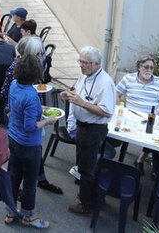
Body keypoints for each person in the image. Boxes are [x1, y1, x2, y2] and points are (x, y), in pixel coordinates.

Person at [60, 46, 116, 216]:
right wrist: (68, 94)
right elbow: (78, 91)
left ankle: (88, 204)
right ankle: (86, 194)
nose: (81, 66)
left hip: (94, 129)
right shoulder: (85, 74)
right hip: (82, 126)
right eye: (80, 61)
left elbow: (107, 111)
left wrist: (81, 103)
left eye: (85, 63)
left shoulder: (105, 83)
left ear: (97, 64)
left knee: (88, 167)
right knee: (83, 163)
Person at [4, 54, 55, 229]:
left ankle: (10, 211)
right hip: (29, 144)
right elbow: (31, 126)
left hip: (13, 138)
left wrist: (39, 110)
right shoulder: (32, 96)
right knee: (29, 183)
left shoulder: (13, 86)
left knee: (13, 176)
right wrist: (47, 120)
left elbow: (15, 108)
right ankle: (28, 216)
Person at [114, 54, 159, 175]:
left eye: (151, 68)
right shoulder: (128, 78)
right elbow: (116, 94)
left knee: (158, 139)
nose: (149, 70)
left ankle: (156, 171)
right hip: (130, 116)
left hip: (150, 118)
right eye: (146, 67)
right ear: (139, 67)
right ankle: (114, 165)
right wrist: (119, 109)